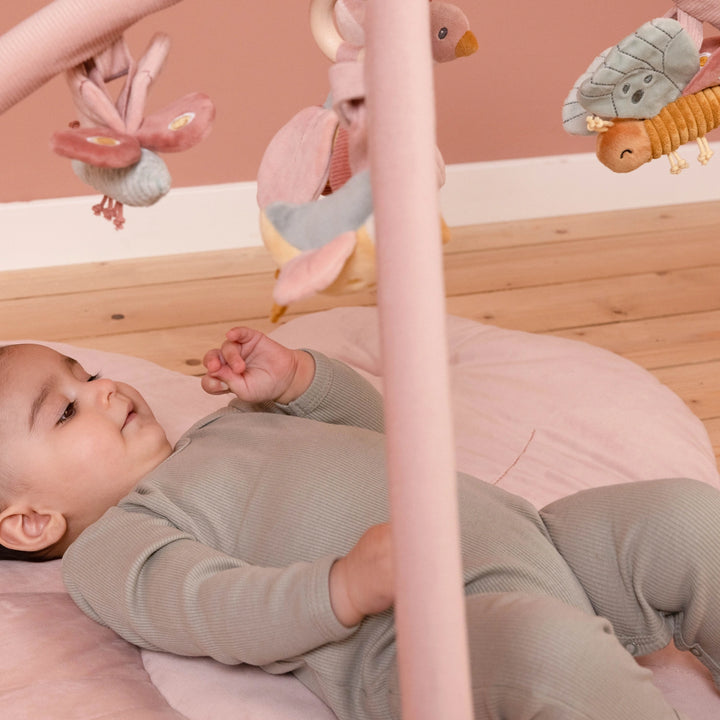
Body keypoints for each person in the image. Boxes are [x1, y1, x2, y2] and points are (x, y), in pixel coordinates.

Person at [0, 327, 718, 720]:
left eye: (85, 373)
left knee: (684, 517)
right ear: (31, 522)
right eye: (64, 410)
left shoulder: (227, 428)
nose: (103, 390)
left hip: (539, 539)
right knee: (546, 648)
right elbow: (215, 610)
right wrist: (343, 587)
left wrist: (300, 381)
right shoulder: (117, 547)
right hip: (426, 635)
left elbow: (375, 434)